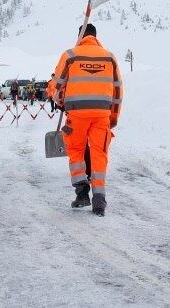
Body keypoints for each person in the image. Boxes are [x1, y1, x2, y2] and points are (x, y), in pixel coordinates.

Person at [50, 23, 122, 216]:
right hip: (102, 115)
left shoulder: (71, 55)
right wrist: (112, 118)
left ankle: (82, 194)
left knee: (76, 151)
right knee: (99, 154)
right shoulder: (110, 57)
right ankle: (99, 200)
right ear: (96, 36)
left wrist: (59, 100)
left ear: (80, 36)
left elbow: (56, 87)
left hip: (77, 114)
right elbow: (117, 92)